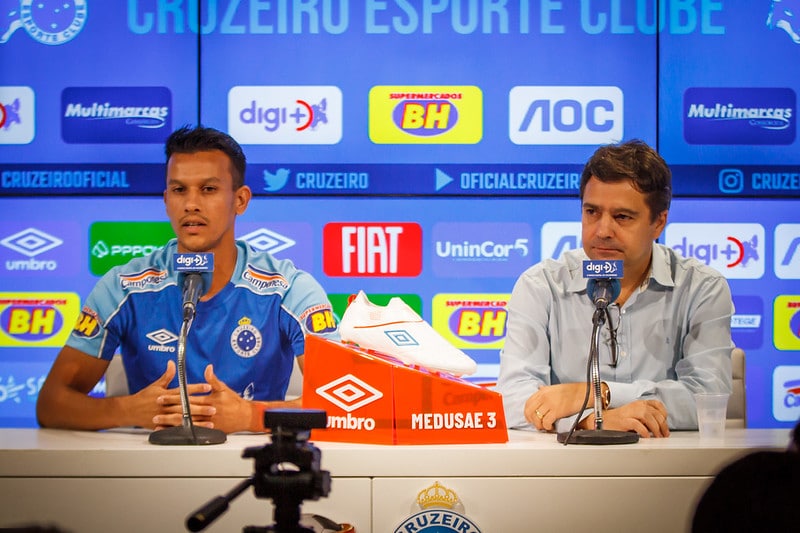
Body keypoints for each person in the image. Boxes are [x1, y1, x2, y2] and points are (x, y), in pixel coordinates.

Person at [36, 125, 338, 434]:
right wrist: (127, 409)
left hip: (257, 468)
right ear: (166, 200)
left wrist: (251, 416)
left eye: (208, 189)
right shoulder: (123, 287)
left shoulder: (289, 289)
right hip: (151, 469)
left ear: (241, 200)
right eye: (179, 190)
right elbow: (51, 404)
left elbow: (345, 402)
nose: (191, 204)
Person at [496, 139, 733, 438]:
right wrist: (591, 420)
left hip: (669, 473)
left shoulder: (701, 288)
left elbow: (708, 397)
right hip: (566, 473)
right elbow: (512, 399)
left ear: (658, 222)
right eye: (592, 212)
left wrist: (601, 393)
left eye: (622, 217)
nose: (602, 231)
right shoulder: (541, 286)